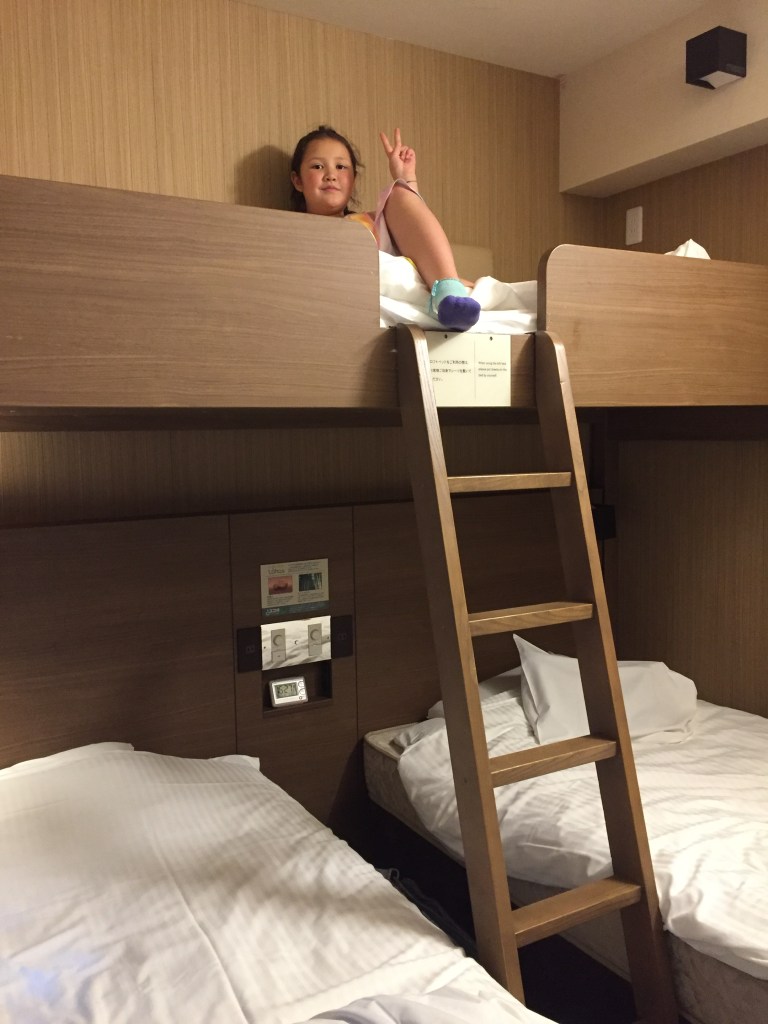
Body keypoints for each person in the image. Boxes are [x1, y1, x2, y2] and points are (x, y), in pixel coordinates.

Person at [289, 125, 481, 332]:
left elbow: (415, 230)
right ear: (297, 180)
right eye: (317, 166)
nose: (331, 175)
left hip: (401, 279)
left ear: (353, 179)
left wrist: (405, 178)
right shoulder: (289, 232)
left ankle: (448, 291)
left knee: (398, 193)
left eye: (341, 167)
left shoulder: (370, 222)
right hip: (356, 288)